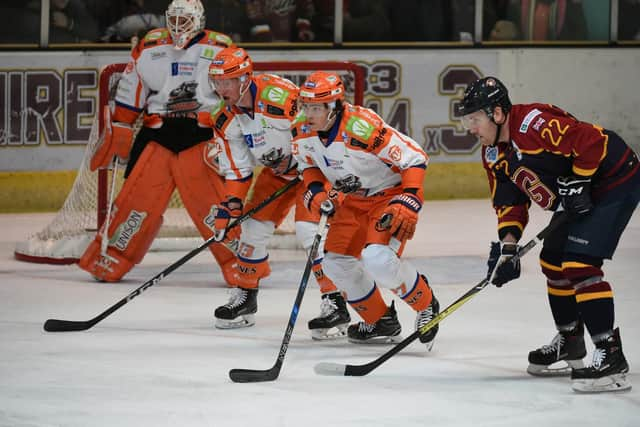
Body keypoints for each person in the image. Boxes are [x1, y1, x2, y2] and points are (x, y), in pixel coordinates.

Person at [458, 76, 639, 393]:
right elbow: (510, 201)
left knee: (579, 264)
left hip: (614, 180)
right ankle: (571, 343)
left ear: (497, 113)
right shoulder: (493, 154)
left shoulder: (533, 124)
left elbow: (592, 141)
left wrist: (579, 180)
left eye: (474, 118)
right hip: (580, 193)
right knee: (553, 261)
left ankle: (610, 354)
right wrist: (509, 247)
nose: (470, 128)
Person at [79, 0, 239, 286]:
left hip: (202, 136)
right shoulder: (151, 45)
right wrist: (121, 127)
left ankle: (240, 262)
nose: (178, 27)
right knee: (137, 202)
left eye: (185, 21)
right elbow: (132, 87)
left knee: (214, 206)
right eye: (174, 20)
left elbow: (237, 90)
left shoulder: (221, 47)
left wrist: (233, 132)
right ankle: (112, 257)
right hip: (158, 134)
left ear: (199, 20)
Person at [205, 47, 351, 338]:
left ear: (245, 79)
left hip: (317, 168)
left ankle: (335, 303)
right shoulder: (224, 118)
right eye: (217, 82)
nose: (222, 89)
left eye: (229, 81)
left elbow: (315, 126)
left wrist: (299, 158)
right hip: (278, 171)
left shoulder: (280, 96)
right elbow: (237, 169)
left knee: (309, 231)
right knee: (252, 226)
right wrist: (231, 206)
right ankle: (246, 297)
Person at [292, 71, 440, 348]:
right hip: (354, 200)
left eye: (315, 108)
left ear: (333, 106)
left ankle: (426, 303)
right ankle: (380, 321)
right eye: (306, 106)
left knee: (377, 259)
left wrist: (409, 196)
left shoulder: (362, 126)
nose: (308, 114)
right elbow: (308, 163)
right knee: (335, 262)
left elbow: (415, 157)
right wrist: (315, 191)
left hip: (390, 195)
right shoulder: (301, 129)